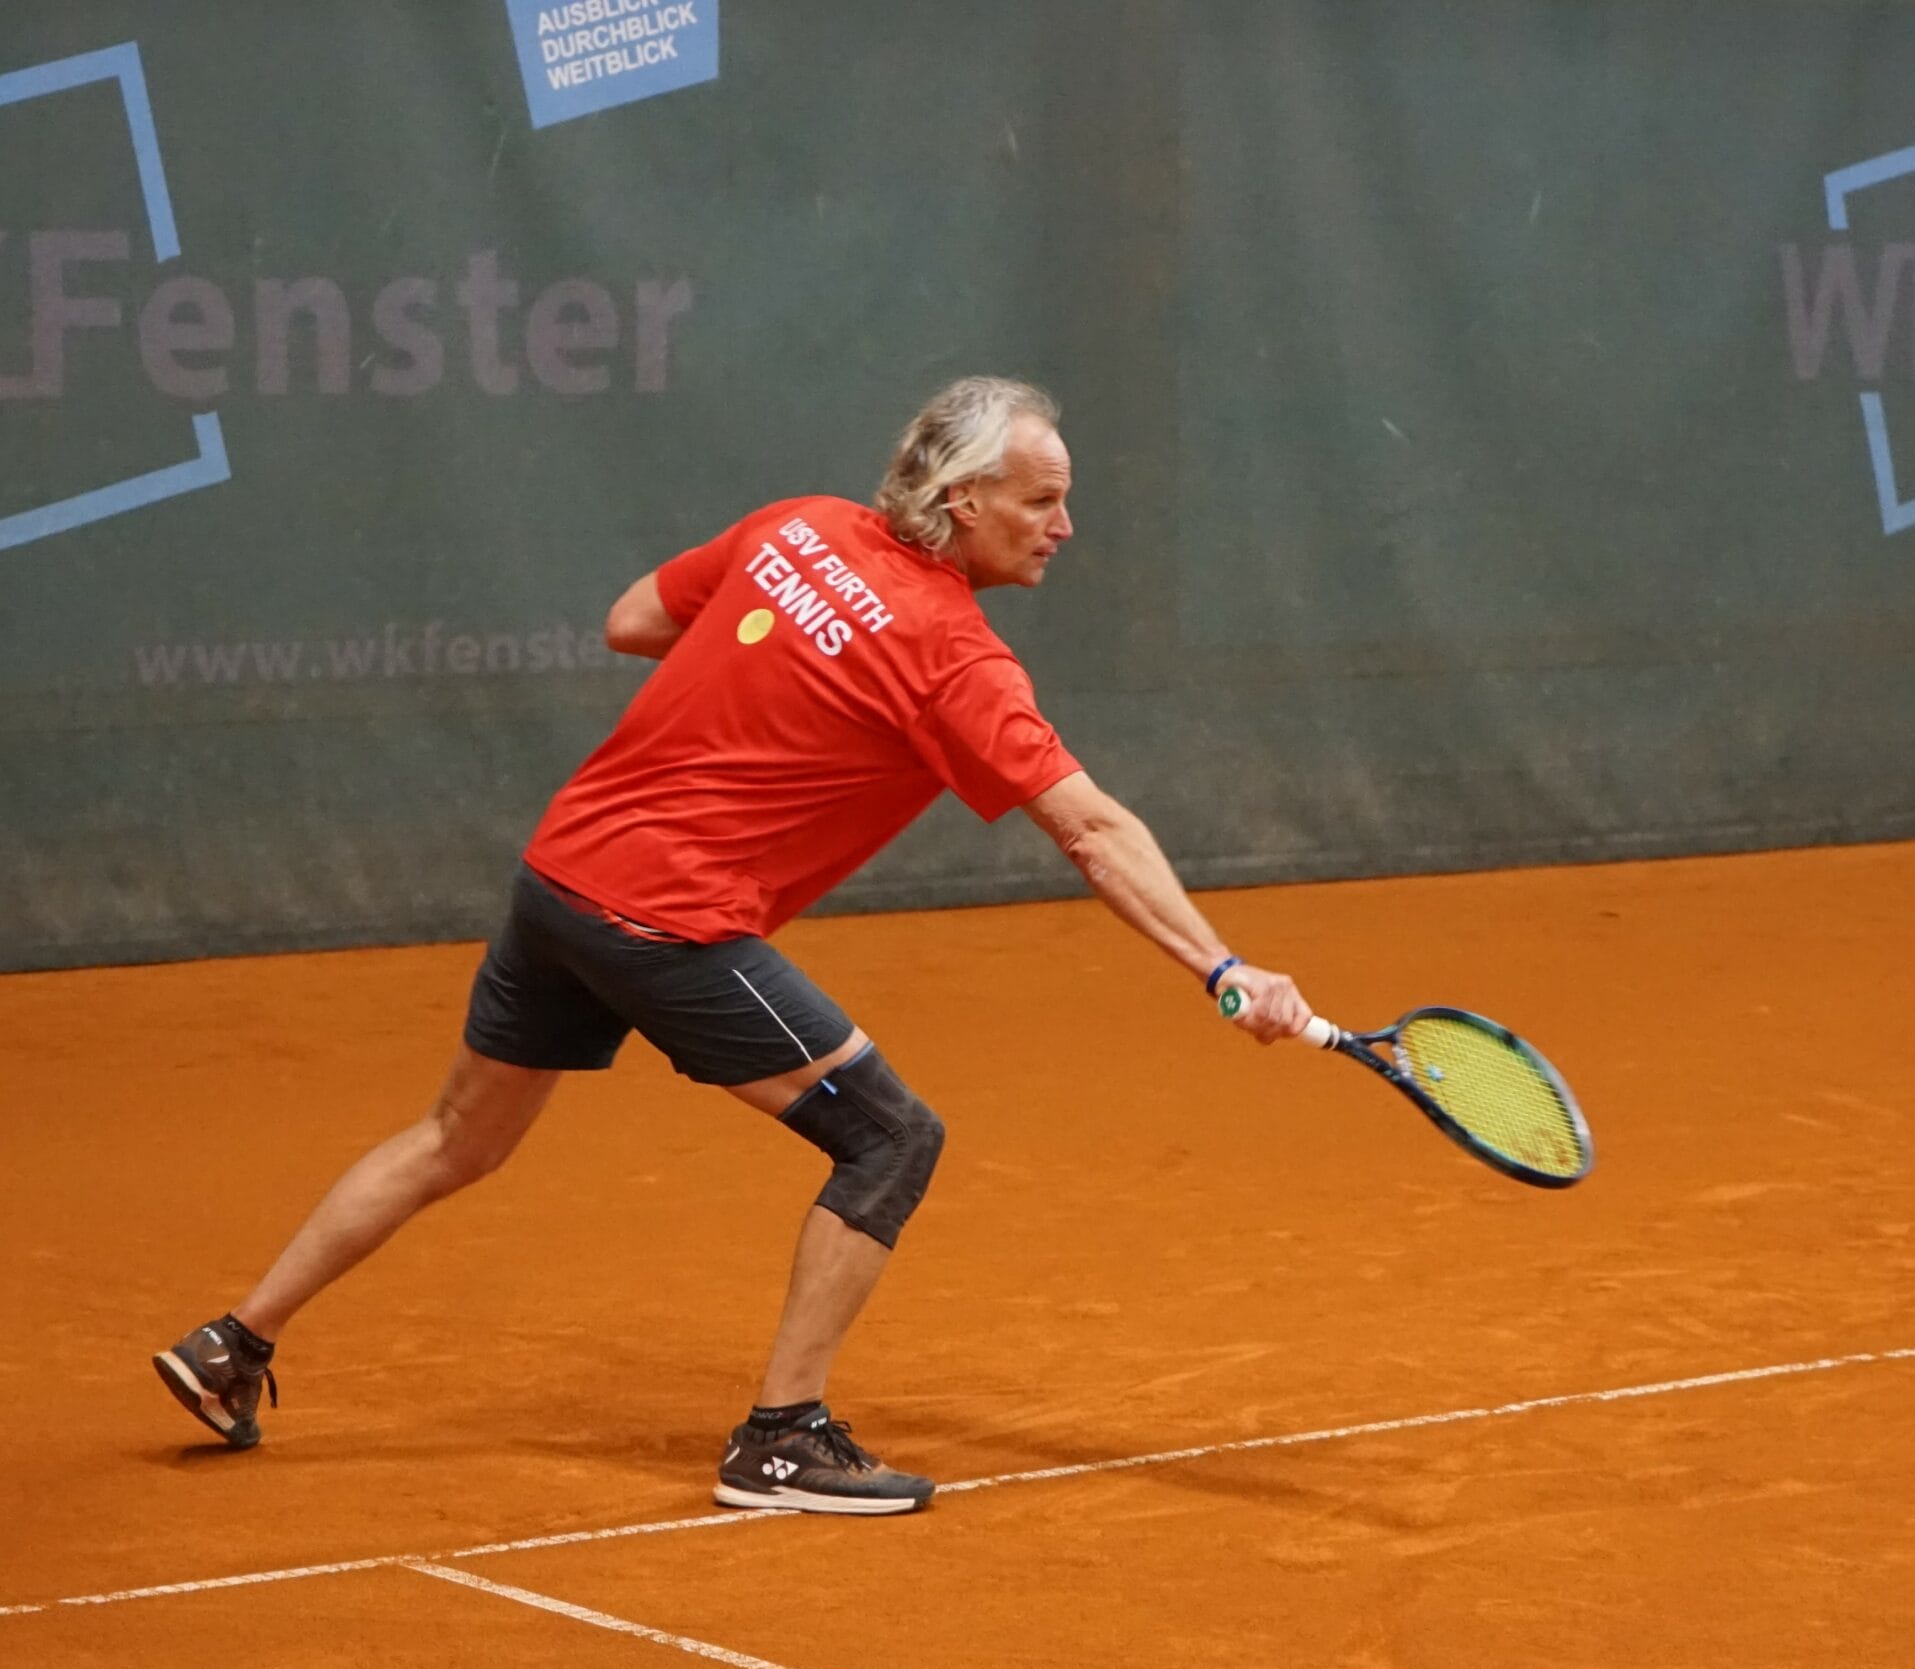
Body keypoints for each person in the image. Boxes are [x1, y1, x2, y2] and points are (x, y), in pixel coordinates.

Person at [152, 376, 1313, 1515]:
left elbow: (634, 621)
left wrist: (785, 672)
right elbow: (1093, 830)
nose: (1064, 526)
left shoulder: (800, 525)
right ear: (963, 500)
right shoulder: (956, 660)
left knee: (458, 1136)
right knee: (889, 1139)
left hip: (561, 876)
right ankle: (781, 1439)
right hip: (668, 921)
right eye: (1041, 499)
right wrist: (1222, 969)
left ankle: (233, 1343)